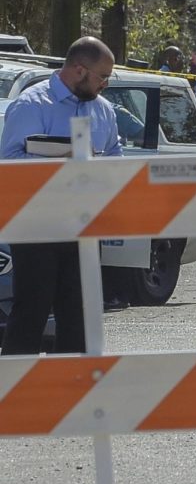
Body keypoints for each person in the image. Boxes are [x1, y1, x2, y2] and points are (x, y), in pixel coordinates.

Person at [0, 36, 122, 354]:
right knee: (31, 313)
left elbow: (116, 160)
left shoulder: (104, 111)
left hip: (84, 227)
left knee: (80, 319)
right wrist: (63, 163)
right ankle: (15, 397)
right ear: (79, 70)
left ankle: (75, 395)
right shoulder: (31, 104)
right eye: (102, 76)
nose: (106, 84)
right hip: (36, 224)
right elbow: (9, 164)